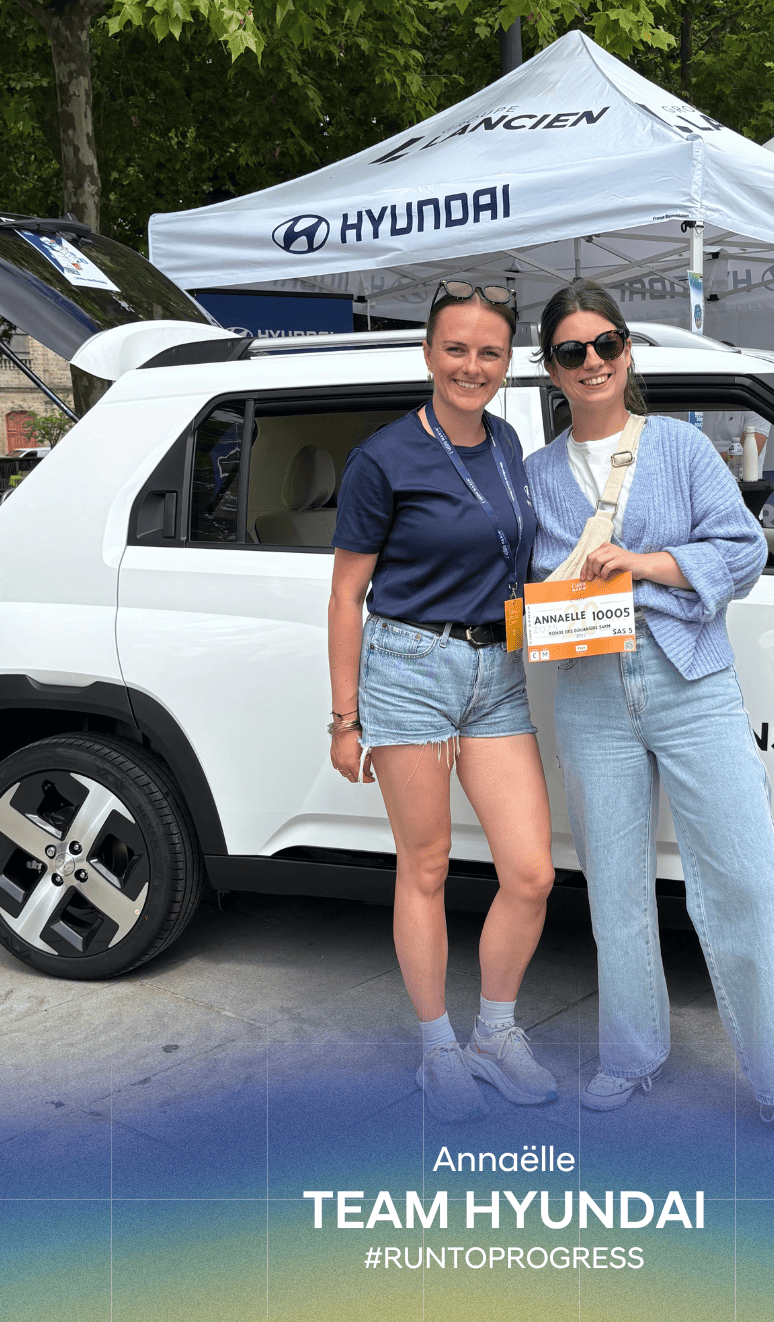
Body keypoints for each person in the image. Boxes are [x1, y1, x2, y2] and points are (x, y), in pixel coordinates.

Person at [523, 279, 774, 1154]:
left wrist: (644, 564)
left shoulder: (681, 449)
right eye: (572, 351)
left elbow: (743, 552)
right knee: (615, 889)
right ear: (552, 369)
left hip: (692, 682)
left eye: (605, 344)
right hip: (590, 692)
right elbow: (528, 583)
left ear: (628, 352)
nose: (592, 362)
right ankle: (630, 1055)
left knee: (747, 881)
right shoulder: (536, 475)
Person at [327, 281, 558, 1123]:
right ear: (428, 353)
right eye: (455, 348)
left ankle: (493, 1035)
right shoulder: (383, 458)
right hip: (410, 669)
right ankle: (437, 1050)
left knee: (530, 872)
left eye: (489, 352)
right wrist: (345, 718)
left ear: (507, 362)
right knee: (424, 866)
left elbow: (512, 556)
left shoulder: (508, 440)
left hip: (497, 671)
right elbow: (345, 594)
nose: (472, 366)